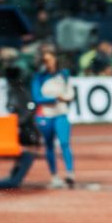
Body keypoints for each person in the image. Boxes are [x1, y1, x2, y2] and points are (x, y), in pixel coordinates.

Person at [31, 45, 75, 188]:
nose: (48, 63)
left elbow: (70, 93)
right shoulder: (38, 77)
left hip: (61, 113)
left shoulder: (64, 74)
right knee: (49, 145)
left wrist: (65, 97)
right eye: (45, 60)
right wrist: (56, 98)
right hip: (45, 115)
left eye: (50, 59)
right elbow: (37, 98)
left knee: (64, 143)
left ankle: (70, 174)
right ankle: (54, 176)